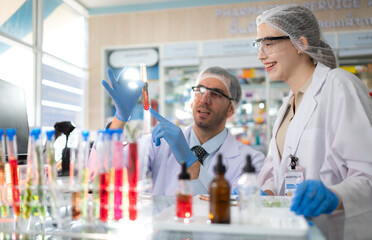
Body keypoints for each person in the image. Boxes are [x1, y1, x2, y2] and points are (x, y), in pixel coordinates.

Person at [254, 4, 372, 240]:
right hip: (292, 231)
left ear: (301, 44)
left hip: (334, 231)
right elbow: (273, 168)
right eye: (259, 45)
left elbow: (367, 173)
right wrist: (263, 192)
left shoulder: (340, 85)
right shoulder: (287, 105)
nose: (261, 55)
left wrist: (333, 197)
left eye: (269, 43)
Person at [90, 66, 265, 196]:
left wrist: (190, 161)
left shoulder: (251, 160)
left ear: (231, 109)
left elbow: (237, 213)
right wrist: (120, 118)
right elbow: (107, 174)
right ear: (191, 101)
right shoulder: (161, 141)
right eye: (200, 91)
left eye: (216, 94)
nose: (204, 100)